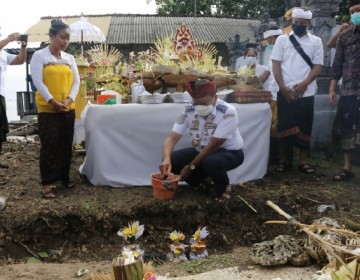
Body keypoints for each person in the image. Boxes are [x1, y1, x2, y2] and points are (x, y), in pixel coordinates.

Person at [160, 79, 245, 202]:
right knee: (173, 159)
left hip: (230, 152)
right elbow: (171, 138)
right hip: (202, 151)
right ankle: (203, 183)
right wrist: (166, 158)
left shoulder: (228, 112)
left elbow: (212, 147)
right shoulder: (188, 110)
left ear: (215, 97)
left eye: (204, 103)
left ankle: (225, 189)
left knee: (211, 162)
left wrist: (190, 167)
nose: (199, 107)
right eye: (196, 103)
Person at [30, 19, 80, 198]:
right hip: (48, 109)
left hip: (67, 107)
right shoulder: (39, 56)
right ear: (51, 36)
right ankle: (47, 184)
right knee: (50, 145)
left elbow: (76, 81)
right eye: (62, 37)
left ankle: (64, 178)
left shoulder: (70, 58)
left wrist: (69, 99)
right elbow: (38, 82)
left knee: (66, 144)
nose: (65, 42)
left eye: (68, 38)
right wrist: (53, 102)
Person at [271, 7, 324, 174]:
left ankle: (301, 162)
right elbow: (276, 65)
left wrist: (304, 84)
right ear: (292, 23)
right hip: (285, 91)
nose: (299, 25)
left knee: (305, 126)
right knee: (284, 126)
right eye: (296, 23)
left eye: (302, 23)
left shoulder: (316, 41)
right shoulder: (282, 40)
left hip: (306, 92)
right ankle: (284, 161)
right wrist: (282, 87)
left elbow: (317, 68)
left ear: (308, 24)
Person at [328, 0, 360, 181]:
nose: (356, 13)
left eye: (359, 10)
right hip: (348, 89)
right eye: (353, 10)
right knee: (346, 128)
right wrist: (332, 89)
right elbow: (337, 65)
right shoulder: (345, 36)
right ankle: (347, 168)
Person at [0, 32, 27, 168]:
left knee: (1, 127)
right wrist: (9, 39)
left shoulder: (3, 53)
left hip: (1, 94)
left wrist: (23, 46)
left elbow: (19, 61)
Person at [260, 26, 284, 165]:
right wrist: (253, 85)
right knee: (272, 126)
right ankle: (273, 155)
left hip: (282, 94)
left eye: (269, 39)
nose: (268, 42)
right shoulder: (273, 53)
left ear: (274, 38)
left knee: (277, 126)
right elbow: (266, 74)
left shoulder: (285, 50)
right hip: (273, 94)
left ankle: (280, 157)